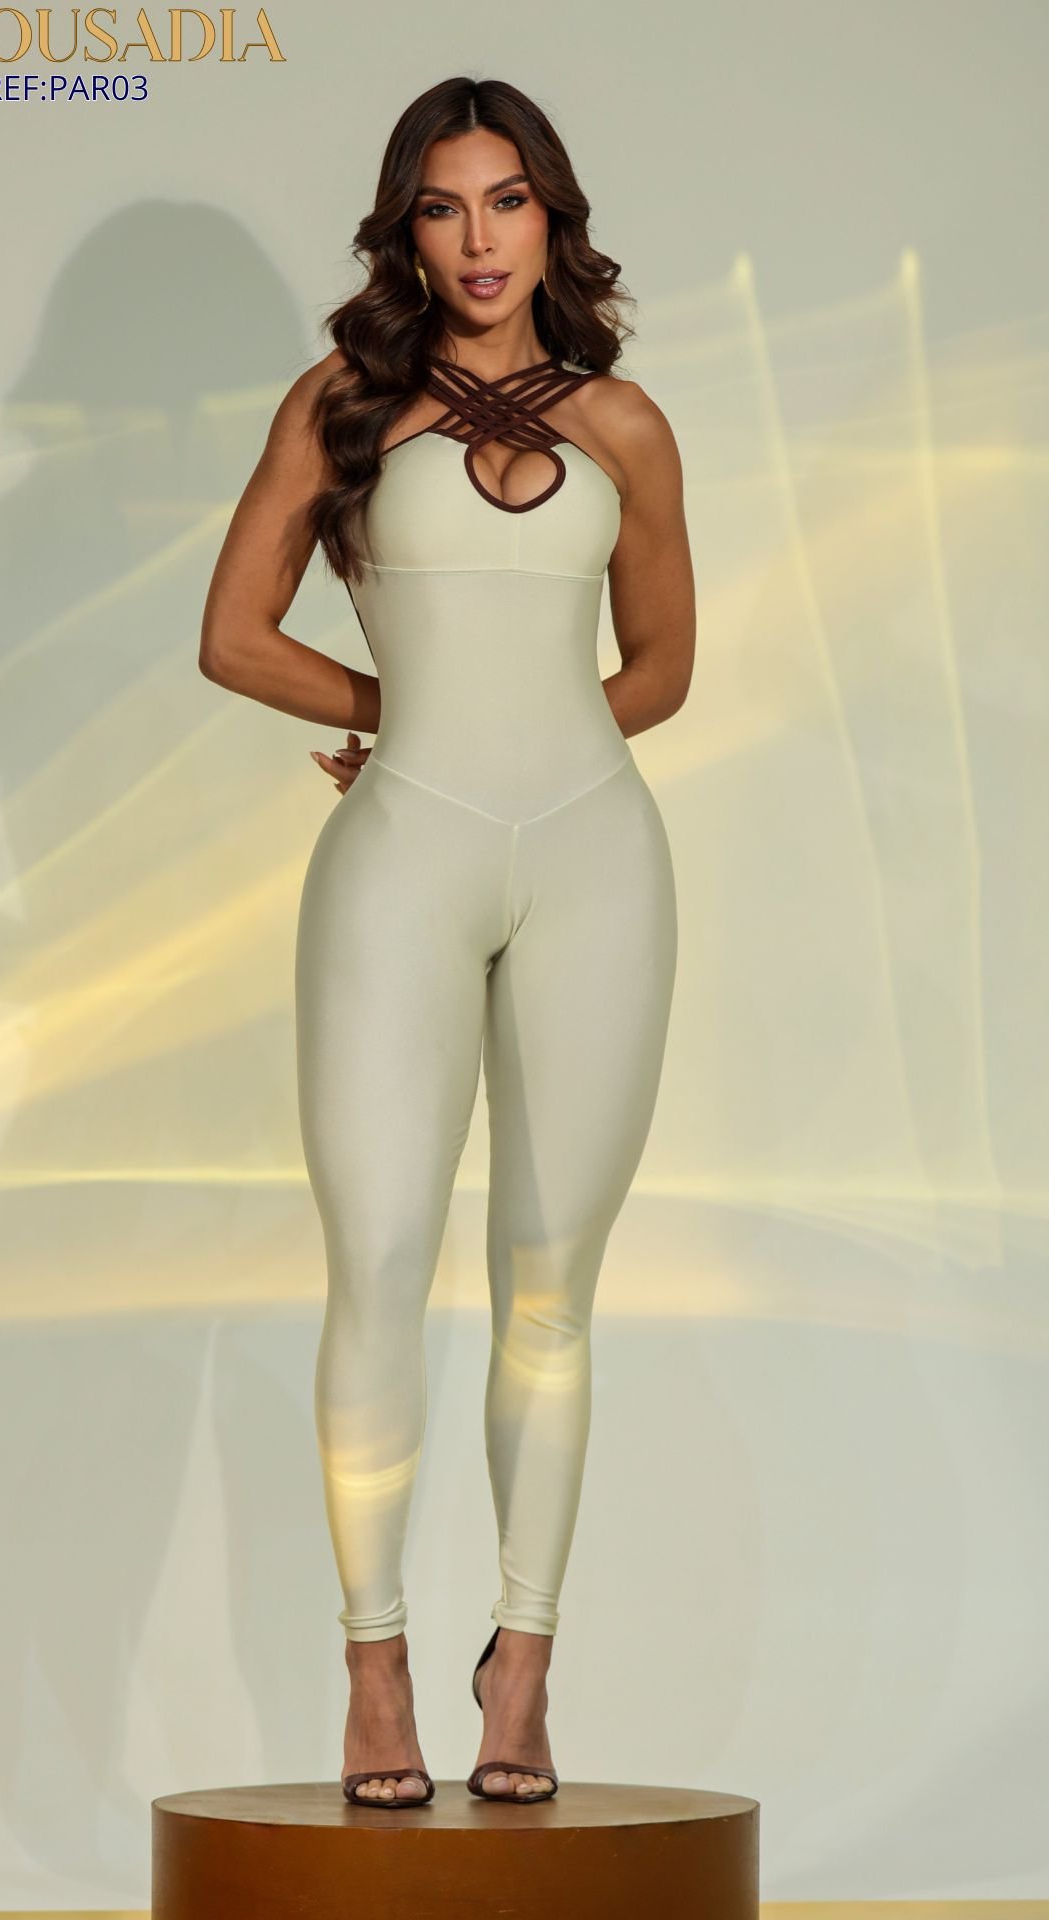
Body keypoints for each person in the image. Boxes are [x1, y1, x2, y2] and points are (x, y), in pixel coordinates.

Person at [200, 75, 695, 1810]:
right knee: (382, 1265)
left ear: (552, 217)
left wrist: (528, 742)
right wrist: (400, 719)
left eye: (507, 202)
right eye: (441, 205)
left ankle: (523, 1669)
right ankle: (375, 1669)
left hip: (596, 861)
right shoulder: (344, 402)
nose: (478, 239)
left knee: (552, 1286)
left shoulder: (626, 425)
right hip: (401, 859)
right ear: (403, 227)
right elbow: (233, 634)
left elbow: (662, 669)